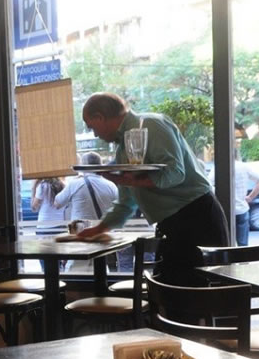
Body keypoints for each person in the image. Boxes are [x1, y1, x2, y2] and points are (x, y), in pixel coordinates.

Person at [76, 93, 228, 282]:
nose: (94, 134)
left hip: (198, 218)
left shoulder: (152, 125)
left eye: (91, 126)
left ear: (100, 117)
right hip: (171, 226)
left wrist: (132, 181)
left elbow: (175, 173)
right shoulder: (123, 149)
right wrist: (98, 229)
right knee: (168, 293)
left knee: (198, 293)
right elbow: (126, 203)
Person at [55, 152, 118, 271]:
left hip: (81, 236)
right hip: (103, 237)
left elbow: (57, 203)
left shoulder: (75, 183)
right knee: (100, 269)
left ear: (83, 166)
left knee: (76, 271)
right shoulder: (111, 185)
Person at [232, 148, 259, 246]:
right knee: (243, 245)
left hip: (225, 211)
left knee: (226, 245)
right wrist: (250, 197)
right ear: (237, 154)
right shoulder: (244, 167)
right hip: (242, 209)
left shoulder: (219, 167)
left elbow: (209, 183)